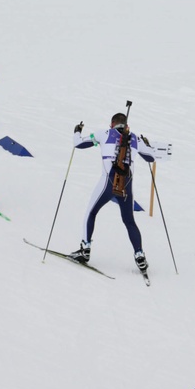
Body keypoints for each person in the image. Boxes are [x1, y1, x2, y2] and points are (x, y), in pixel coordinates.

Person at [68, 113, 154, 276]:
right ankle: (140, 255)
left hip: (108, 182)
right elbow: (151, 157)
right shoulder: (135, 138)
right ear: (126, 125)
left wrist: (77, 131)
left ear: (111, 124)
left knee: (91, 212)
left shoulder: (103, 134)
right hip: (127, 185)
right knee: (129, 221)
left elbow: (78, 144)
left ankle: (85, 249)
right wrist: (147, 145)